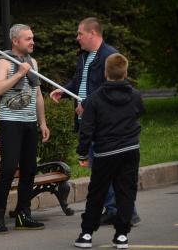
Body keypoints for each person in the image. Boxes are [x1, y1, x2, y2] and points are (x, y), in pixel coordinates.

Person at [49, 17, 140, 226]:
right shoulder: (84, 57)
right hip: (87, 120)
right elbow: (79, 82)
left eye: (80, 33)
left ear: (93, 33)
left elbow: (110, 88)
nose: (77, 37)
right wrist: (63, 91)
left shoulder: (110, 56)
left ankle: (120, 210)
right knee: (102, 170)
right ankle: (118, 210)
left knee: (104, 170)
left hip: (103, 122)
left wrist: (89, 104)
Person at [73, 53, 145, 249]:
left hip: (105, 153)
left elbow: (86, 129)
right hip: (130, 149)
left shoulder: (93, 100)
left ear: (105, 73)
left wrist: (82, 153)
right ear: (126, 72)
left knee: (97, 192)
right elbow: (139, 111)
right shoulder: (135, 95)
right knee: (126, 192)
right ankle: (122, 235)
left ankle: (87, 234)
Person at [0, 24, 50, 233]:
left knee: (29, 170)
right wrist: (19, 74)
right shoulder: (4, 62)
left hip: (29, 123)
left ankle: (24, 215)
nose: (32, 42)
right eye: (28, 39)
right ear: (15, 41)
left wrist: (42, 122)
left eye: (32, 38)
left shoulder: (32, 62)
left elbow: (38, 95)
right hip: (10, 123)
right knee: (8, 169)